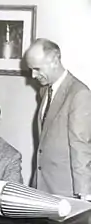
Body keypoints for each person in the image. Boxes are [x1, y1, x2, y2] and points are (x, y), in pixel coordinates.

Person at [25, 38, 91, 198]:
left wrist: (84, 193)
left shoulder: (79, 93)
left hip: (65, 191)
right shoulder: (45, 91)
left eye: (37, 69)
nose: (33, 75)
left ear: (54, 60)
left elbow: (80, 146)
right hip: (41, 186)